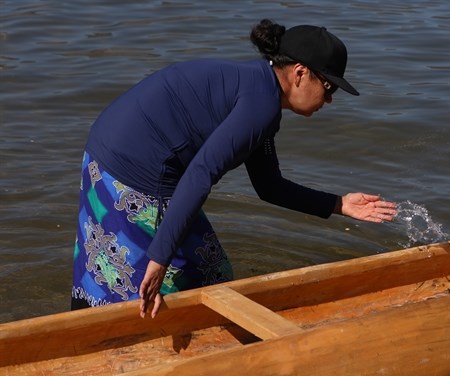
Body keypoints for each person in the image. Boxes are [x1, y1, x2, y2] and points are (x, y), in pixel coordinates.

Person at [71, 19, 397, 318]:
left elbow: (269, 185)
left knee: (182, 270)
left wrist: (339, 204)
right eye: (329, 88)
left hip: (104, 151)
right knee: (200, 275)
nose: (329, 101)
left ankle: (89, 324)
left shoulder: (259, 90)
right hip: (136, 171)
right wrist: (159, 259)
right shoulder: (261, 106)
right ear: (300, 73)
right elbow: (201, 174)